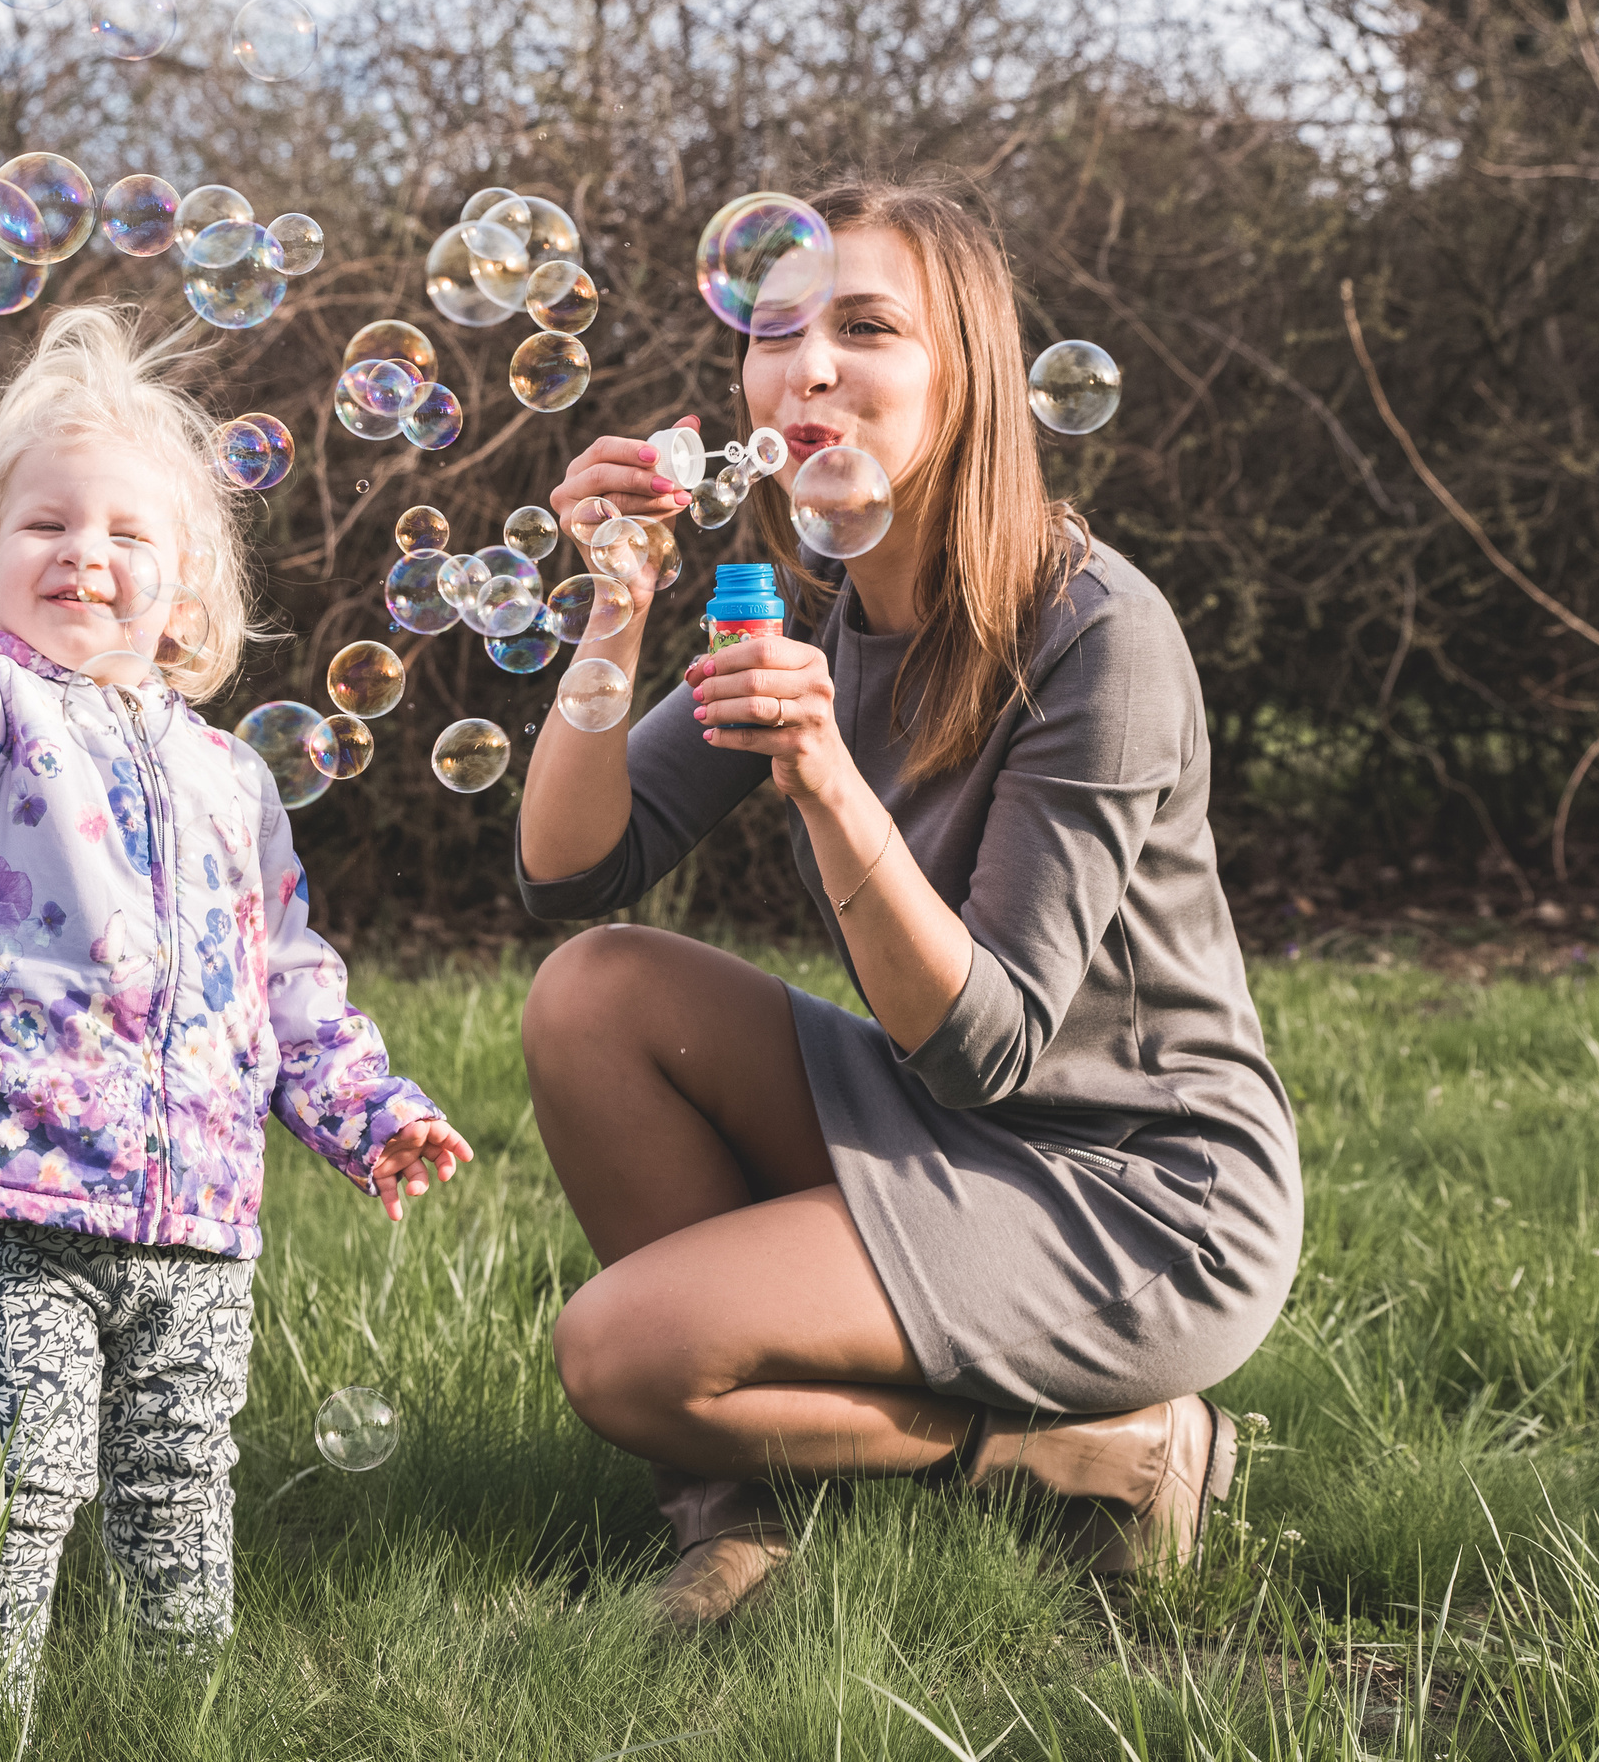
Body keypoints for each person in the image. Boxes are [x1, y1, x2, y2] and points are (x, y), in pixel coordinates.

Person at [515, 178, 1300, 1627]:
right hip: (953, 1126)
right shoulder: (820, 609)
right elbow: (569, 873)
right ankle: (735, 1515)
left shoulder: (1095, 633)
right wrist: (612, 615)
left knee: (623, 1357)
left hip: (1135, 1194)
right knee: (596, 992)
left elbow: (989, 1043)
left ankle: (1099, 1458)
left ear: (972, 379)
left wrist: (820, 775)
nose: (804, 365)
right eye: (774, 332)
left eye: (866, 327)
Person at [0, 306, 472, 1704]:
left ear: (187, 590)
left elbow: (288, 978)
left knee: (183, 1491)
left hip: (198, 1215)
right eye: (44, 525)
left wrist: (369, 1111)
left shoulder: (234, 779)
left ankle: (180, 1723)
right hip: (8, 1189)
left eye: (127, 535)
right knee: (21, 1477)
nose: (86, 555)